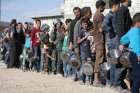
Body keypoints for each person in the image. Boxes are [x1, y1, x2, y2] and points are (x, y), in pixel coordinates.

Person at [119, 12, 140, 93]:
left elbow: (123, 39)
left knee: (135, 73)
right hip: (136, 55)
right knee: (138, 75)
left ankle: (134, 89)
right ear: (138, 23)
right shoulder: (136, 31)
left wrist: (122, 44)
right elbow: (137, 44)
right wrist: (139, 54)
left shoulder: (131, 30)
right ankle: (134, 90)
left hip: (132, 55)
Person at [103, 0, 121, 89]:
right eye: (118, 5)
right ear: (114, 5)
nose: (119, 7)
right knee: (115, 63)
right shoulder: (109, 15)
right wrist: (113, 32)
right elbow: (104, 26)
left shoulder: (114, 15)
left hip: (114, 41)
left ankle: (113, 83)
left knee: (114, 63)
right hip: (113, 42)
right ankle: (114, 83)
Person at [93, 0, 106, 86]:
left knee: (99, 58)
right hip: (100, 39)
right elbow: (101, 29)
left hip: (97, 39)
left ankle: (97, 79)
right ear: (100, 6)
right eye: (104, 6)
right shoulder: (100, 15)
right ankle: (96, 80)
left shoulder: (95, 15)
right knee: (99, 58)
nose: (104, 8)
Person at [77, 17, 91, 84]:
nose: (85, 25)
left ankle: (87, 80)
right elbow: (78, 41)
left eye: (86, 24)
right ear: (82, 25)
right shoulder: (81, 32)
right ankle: (81, 79)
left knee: (88, 65)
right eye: (84, 24)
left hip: (88, 50)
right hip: (83, 50)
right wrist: (85, 37)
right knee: (83, 65)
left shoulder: (88, 31)